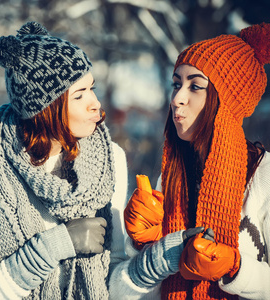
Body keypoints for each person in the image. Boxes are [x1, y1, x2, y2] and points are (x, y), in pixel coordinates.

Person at [0, 21, 129, 299]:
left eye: (92, 88)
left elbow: (113, 277)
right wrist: (57, 244)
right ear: (44, 109)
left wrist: (152, 263)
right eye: (79, 95)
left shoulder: (109, 160)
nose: (96, 104)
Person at [109, 23, 270, 299]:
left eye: (195, 86)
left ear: (226, 102)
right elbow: (122, 292)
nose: (177, 99)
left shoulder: (263, 175)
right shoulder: (170, 177)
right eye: (176, 84)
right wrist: (142, 246)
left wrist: (235, 268)